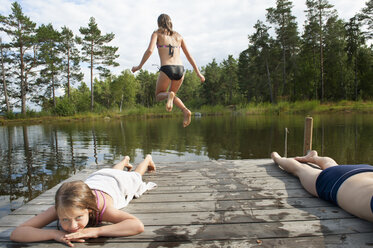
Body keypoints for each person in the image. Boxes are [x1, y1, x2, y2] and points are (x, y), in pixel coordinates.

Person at [10, 155, 157, 247]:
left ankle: (147, 159)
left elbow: (136, 225)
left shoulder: (100, 208)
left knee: (136, 176)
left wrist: (97, 231)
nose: (72, 226)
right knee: (113, 171)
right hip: (99, 177)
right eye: (65, 219)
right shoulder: (63, 206)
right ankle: (124, 160)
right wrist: (54, 234)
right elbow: (17, 233)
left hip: (115, 184)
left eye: (79, 217)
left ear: (89, 210)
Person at [132, 13, 205, 128]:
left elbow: (150, 51)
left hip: (167, 69)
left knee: (158, 95)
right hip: (180, 70)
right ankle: (185, 111)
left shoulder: (157, 34)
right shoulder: (179, 36)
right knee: (172, 95)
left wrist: (139, 66)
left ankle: (169, 96)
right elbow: (189, 56)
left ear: (158, 23)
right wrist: (198, 73)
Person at [271, 150, 373, 222]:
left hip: (365, 170)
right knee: (300, 169)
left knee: (332, 166)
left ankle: (314, 157)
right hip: (337, 181)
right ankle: (278, 158)